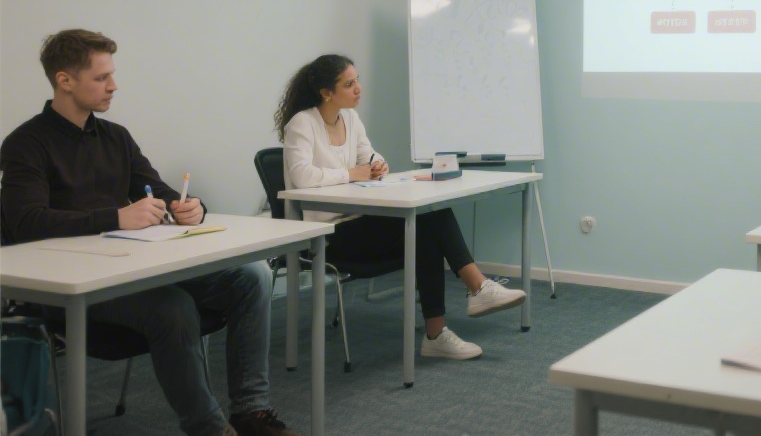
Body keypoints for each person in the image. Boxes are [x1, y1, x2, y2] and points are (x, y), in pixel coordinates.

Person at [0, 30, 298, 436]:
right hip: (72, 285)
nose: (114, 85)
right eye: (102, 77)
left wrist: (189, 207)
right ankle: (209, 429)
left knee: (253, 276)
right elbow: (26, 222)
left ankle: (251, 411)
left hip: (132, 269)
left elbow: (159, 192)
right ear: (64, 80)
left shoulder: (115, 137)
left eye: (112, 74)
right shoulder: (25, 145)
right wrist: (115, 217)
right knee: (171, 307)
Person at [276, 54, 525, 361]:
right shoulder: (302, 124)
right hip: (329, 234)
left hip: (358, 220)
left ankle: (443, 329)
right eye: (349, 84)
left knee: (428, 217)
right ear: (327, 92)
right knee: (428, 223)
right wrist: (351, 174)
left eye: (357, 80)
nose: (358, 89)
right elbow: (301, 177)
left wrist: (376, 165)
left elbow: (367, 155)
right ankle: (473, 291)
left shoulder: (350, 119)